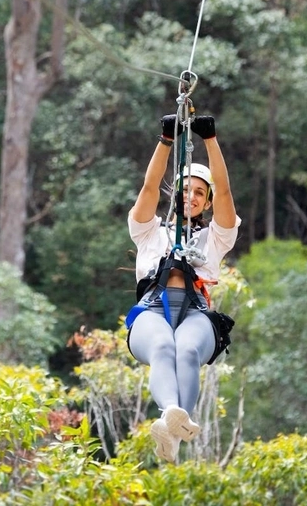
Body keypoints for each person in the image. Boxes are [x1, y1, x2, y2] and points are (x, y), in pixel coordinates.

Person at [126, 112, 241, 463]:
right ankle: (173, 416)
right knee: (163, 346)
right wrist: (166, 141)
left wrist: (210, 141)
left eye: (199, 193)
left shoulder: (215, 238)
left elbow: (226, 193)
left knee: (188, 350)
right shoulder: (150, 233)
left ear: (206, 202)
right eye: (186, 190)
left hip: (195, 311)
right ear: (176, 194)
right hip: (152, 309)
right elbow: (148, 189)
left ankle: (175, 425)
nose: (191, 196)